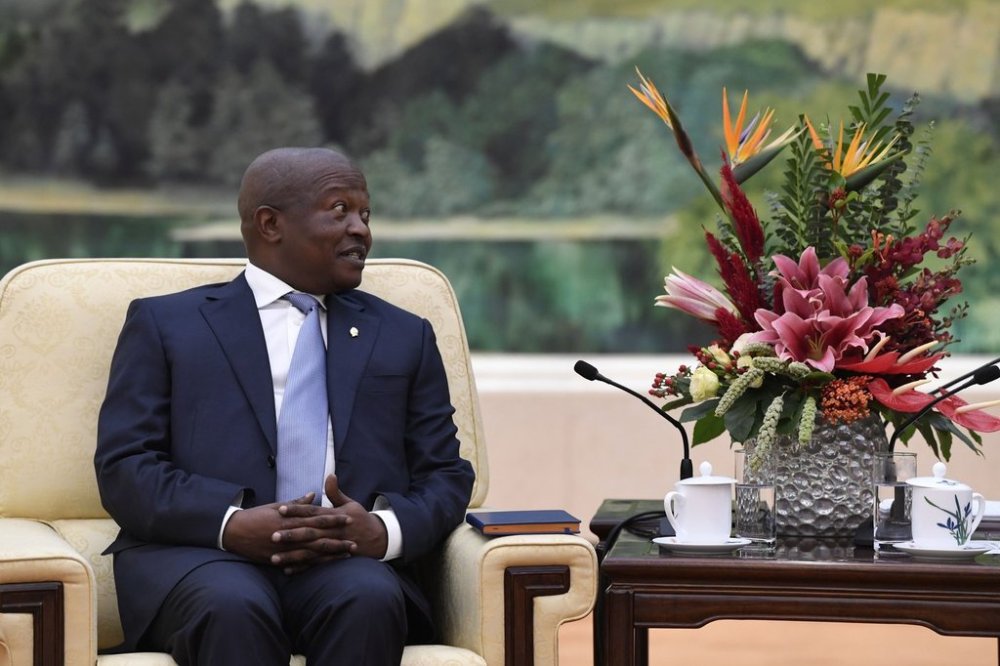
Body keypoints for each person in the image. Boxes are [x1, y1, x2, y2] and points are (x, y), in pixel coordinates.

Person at [94, 147, 475, 665]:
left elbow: (446, 474)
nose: (361, 230)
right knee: (231, 606)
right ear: (270, 224)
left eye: (365, 215)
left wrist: (383, 530)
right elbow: (125, 468)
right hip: (205, 555)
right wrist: (230, 522)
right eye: (340, 210)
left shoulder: (404, 334)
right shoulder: (167, 325)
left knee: (369, 598)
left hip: (345, 559)